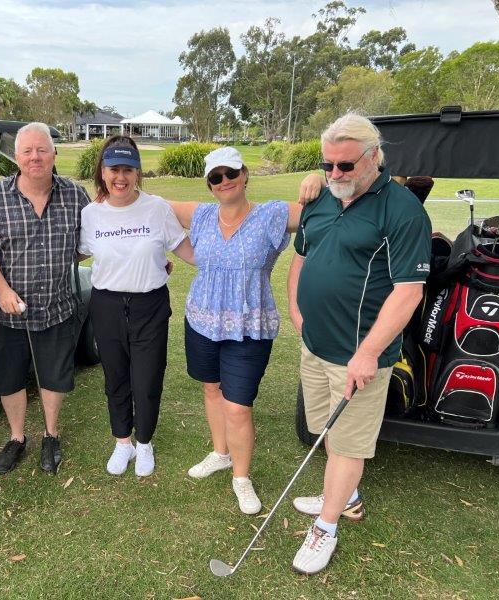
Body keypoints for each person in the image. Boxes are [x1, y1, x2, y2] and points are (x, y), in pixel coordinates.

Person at [287, 112, 431, 574]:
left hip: (358, 356)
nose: (334, 175)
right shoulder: (322, 197)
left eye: (345, 166)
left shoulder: (402, 210)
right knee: (325, 430)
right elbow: (302, 258)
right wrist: (297, 311)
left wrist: (368, 352)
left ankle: (325, 528)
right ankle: (344, 497)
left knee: (347, 445)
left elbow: (409, 291)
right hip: (315, 343)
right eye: (326, 164)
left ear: (374, 158)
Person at [170, 146, 302, 515]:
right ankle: (220, 453)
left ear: (245, 175)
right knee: (211, 389)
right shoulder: (201, 215)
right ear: (209, 185)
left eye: (230, 173)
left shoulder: (272, 215)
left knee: (238, 406)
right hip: (201, 320)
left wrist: (317, 180)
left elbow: (321, 210)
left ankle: (241, 477)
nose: (224, 181)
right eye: (216, 177)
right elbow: (152, 203)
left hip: (249, 325)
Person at [0, 122, 91, 475]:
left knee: (54, 377)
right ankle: (16, 438)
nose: (35, 157)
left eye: (42, 149)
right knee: (10, 378)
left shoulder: (76, 194)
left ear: (54, 153)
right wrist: (2, 287)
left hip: (57, 308)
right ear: (16, 157)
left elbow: (95, 239)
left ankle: (50, 435)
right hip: (8, 312)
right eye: (27, 151)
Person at [78, 136, 194, 477]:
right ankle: (122, 442)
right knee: (115, 378)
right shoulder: (91, 214)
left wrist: (224, 263)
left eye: (128, 169)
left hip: (150, 305)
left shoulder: (157, 209)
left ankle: (144, 443)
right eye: (114, 169)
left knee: (146, 380)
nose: (121, 177)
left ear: (138, 172)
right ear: (103, 171)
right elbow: (80, 252)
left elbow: (184, 249)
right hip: (107, 304)